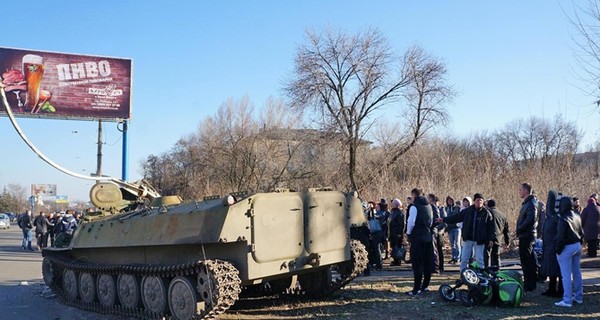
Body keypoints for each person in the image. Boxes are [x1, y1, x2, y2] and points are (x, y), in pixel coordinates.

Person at [441, 193, 494, 271]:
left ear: (483, 202)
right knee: (464, 258)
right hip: (468, 238)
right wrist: (444, 219)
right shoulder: (467, 211)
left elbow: (491, 228)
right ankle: (463, 274)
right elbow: (456, 217)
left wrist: (491, 239)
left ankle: (482, 276)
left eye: (481, 200)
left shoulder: (486, 213)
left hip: (479, 240)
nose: (479, 202)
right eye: (477, 200)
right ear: (474, 201)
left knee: (480, 259)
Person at [554, 196, 584, 307]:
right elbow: (582, 232)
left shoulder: (563, 219)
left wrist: (558, 250)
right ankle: (579, 297)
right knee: (577, 273)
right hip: (577, 245)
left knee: (566, 275)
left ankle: (567, 300)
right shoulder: (577, 216)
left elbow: (560, 237)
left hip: (567, 247)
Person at [406, 188, 433, 296]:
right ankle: (425, 286)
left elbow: (411, 222)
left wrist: (408, 233)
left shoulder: (414, 207)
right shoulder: (429, 206)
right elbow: (431, 221)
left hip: (417, 237)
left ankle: (416, 289)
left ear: (414, 195)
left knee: (417, 264)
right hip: (428, 236)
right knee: (427, 263)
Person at [516, 182, 539, 292]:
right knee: (526, 261)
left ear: (526, 191)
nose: (519, 191)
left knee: (528, 261)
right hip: (524, 235)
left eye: (520, 189)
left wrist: (520, 228)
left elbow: (530, 220)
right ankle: (529, 283)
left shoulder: (531, 203)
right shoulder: (527, 203)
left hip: (527, 236)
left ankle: (530, 284)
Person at [541, 190, 563, 298]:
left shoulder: (558, 217)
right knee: (551, 270)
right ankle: (551, 288)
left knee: (558, 270)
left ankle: (560, 290)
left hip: (555, 246)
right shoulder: (549, 217)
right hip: (548, 246)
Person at [484, 199, 509, 268]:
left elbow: (491, 227)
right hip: (498, 238)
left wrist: (490, 239)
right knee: (496, 256)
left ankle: (486, 272)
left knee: (486, 256)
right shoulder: (502, 215)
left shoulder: (488, 213)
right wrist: (507, 241)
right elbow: (506, 230)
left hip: (489, 238)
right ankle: (496, 273)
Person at [429, 194, 445, 273]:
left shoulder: (437, 208)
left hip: (437, 232)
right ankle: (437, 266)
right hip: (435, 231)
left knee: (437, 250)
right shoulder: (430, 208)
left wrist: (438, 229)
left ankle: (438, 266)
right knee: (436, 249)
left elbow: (440, 221)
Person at [444, 196, 461, 264]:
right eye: (448, 201)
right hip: (449, 228)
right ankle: (453, 257)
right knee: (452, 244)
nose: (450, 202)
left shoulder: (457, 208)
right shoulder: (446, 208)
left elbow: (456, 216)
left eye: (451, 200)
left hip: (456, 227)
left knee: (457, 243)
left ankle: (458, 258)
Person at [367, 202, 384, 271]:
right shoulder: (373, 213)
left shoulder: (379, 213)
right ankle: (377, 263)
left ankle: (379, 264)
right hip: (374, 233)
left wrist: (372, 210)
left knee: (377, 249)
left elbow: (376, 217)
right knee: (375, 249)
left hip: (377, 232)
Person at [388, 198, 405, 266]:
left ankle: (398, 260)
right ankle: (395, 259)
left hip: (397, 233)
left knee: (397, 246)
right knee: (394, 246)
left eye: (393, 203)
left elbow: (401, 224)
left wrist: (399, 233)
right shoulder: (393, 212)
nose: (392, 204)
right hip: (392, 232)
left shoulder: (399, 213)